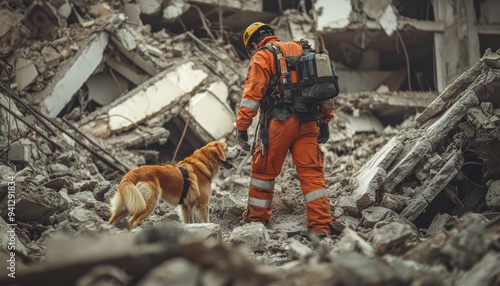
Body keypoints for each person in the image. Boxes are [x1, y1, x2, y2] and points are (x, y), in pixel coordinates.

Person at [235, 22, 334, 237]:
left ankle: (257, 222)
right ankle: (320, 226)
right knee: (312, 174)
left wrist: (242, 127)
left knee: (263, 173)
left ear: (254, 44)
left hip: (279, 123)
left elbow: (252, 95)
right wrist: (325, 121)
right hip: (308, 122)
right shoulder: (303, 49)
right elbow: (324, 88)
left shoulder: (262, 56)